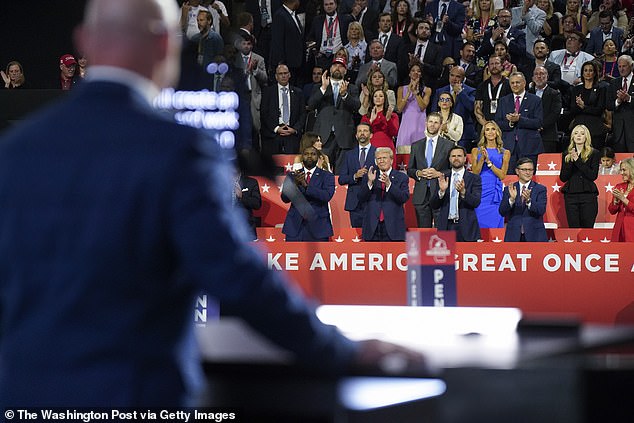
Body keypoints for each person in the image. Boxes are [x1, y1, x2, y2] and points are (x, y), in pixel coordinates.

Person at [0, 0, 426, 406]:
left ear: (84, 40)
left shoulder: (15, 151)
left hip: (21, 396)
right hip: (136, 398)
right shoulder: (179, 151)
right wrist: (342, 352)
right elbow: (238, 278)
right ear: (166, 44)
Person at [309, 56, 361, 172]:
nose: (337, 68)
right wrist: (323, 88)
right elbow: (311, 105)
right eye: (335, 65)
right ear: (330, 69)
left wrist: (345, 95)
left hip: (344, 137)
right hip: (324, 137)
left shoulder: (351, 88)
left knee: (341, 174)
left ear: (345, 70)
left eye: (341, 66)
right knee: (322, 172)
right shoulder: (319, 87)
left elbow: (357, 106)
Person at [408, 112, 454, 227]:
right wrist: (419, 173)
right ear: (426, 123)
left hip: (440, 193)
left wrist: (439, 174)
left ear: (440, 125)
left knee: (442, 232)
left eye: (436, 122)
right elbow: (410, 169)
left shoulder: (449, 145)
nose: (433, 125)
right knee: (423, 234)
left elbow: (453, 170)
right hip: (421, 195)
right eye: (430, 122)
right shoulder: (416, 145)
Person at [281, 146, 335, 241]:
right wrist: (295, 185)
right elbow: (284, 198)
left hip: (318, 227)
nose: (309, 156)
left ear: (318, 157)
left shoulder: (327, 176)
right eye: (306, 154)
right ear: (302, 157)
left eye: (313, 154)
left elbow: (326, 196)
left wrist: (306, 186)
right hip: (295, 227)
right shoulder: (292, 175)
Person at [431, 145, 482, 241]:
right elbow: (434, 204)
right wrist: (441, 192)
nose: (456, 158)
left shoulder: (474, 178)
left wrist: (463, 192)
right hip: (446, 227)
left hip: (466, 228)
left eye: (459, 156)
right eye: (453, 156)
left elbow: (476, 202)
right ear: (449, 159)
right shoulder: (442, 177)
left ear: (465, 158)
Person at [358, 147, 410, 241]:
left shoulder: (401, 177)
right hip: (372, 226)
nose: (381, 161)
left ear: (391, 160)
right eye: (379, 158)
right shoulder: (370, 176)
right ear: (376, 161)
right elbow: (361, 197)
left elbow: (404, 197)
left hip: (393, 227)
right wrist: (369, 182)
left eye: (384, 158)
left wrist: (389, 185)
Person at [495, 71, 543, 171]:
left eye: (517, 82)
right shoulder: (504, 101)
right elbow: (498, 123)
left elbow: (538, 122)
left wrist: (519, 120)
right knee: (509, 178)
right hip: (508, 147)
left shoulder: (535, 100)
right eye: (512, 83)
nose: (515, 85)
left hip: (529, 146)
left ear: (524, 83)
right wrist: (511, 123)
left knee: (527, 177)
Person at [471, 121, 511, 228]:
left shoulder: (505, 152)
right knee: (479, 222)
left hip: (494, 192)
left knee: (495, 223)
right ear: (484, 133)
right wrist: (482, 159)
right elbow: (475, 173)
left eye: (493, 129)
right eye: (487, 130)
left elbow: (502, 175)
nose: (490, 132)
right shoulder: (476, 151)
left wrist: (489, 163)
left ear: (497, 132)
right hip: (480, 189)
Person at [260, 64, 306, 156]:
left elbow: (303, 114)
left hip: (292, 135)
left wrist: (294, 129)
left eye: (285, 73)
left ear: (289, 75)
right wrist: (276, 129)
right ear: (276, 76)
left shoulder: (298, 92)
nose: (283, 76)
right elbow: (264, 113)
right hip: (273, 135)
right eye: (280, 74)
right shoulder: (268, 92)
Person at [560, 124, 601, 227]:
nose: (579, 136)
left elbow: (592, 175)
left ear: (586, 137)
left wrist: (577, 160)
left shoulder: (594, 153)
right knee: (573, 229)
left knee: (587, 229)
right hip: (571, 196)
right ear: (572, 137)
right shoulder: (566, 154)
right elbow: (563, 177)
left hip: (588, 196)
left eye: (582, 134)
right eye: (576, 133)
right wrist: (570, 160)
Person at [498, 157, 548, 242]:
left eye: (530, 170)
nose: (528, 172)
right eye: (524, 169)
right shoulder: (509, 189)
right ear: (517, 171)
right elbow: (502, 212)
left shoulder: (540, 189)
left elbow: (541, 210)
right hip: (513, 236)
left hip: (534, 236)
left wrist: (528, 201)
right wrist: (511, 200)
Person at [339, 123, 377, 227]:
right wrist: (355, 176)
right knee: (358, 239)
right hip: (354, 203)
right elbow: (341, 179)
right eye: (359, 131)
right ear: (356, 136)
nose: (362, 133)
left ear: (371, 135)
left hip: (372, 201)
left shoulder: (378, 153)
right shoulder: (349, 155)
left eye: (365, 131)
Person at [431, 66, 477, 150]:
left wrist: (460, 92)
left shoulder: (470, 91)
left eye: (458, 76)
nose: (454, 78)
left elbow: (471, 107)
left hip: (463, 134)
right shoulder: (440, 91)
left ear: (463, 78)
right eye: (452, 75)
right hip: (442, 133)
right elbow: (434, 112)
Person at [569, 60, 608, 149]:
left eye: (590, 70)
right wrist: (586, 108)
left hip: (595, 128)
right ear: (582, 73)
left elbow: (599, 110)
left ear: (594, 73)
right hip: (579, 127)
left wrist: (583, 107)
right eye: (585, 70)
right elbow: (573, 109)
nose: (588, 73)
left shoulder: (601, 89)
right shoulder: (576, 90)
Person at [395, 62, 430, 154]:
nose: (415, 73)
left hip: (420, 124)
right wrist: (408, 93)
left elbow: (422, 107)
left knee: (420, 153)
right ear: (409, 73)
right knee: (403, 154)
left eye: (418, 71)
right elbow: (399, 109)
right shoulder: (401, 89)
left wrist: (416, 93)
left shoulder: (427, 90)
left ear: (421, 74)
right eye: (413, 70)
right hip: (406, 125)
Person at [529, 65, 563, 153]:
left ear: (547, 77)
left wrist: (539, 125)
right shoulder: (528, 94)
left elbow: (555, 114)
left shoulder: (555, 94)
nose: (539, 76)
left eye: (542, 74)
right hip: (529, 135)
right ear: (533, 78)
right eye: (536, 74)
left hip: (548, 137)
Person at [360, 88, 399, 159]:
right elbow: (363, 134)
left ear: (385, 99)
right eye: (375, 96)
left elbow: (395, 133)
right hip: (371, 148)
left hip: (387, 148)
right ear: (372, 99)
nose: (378, 98)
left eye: (381, 96)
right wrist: (371, 121)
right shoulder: (366, 117)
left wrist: (388, 120)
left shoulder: (392, 115)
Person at [606, 55, 634, 152]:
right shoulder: (614, 83)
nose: (621, 69)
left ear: (632, 66)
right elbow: (608, 105)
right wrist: (618, 101)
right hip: (618, 130)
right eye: (619, 66)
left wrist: (629, 98)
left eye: (624, 66)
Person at [608, 157, 634, 241]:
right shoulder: (619, 186)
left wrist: (623, 199)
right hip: (619, 227)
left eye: (624, 170)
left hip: (632, 227)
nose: (621, 173)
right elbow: (612, 211)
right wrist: (615, 202)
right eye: (620, 170)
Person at [233, 169, 262, 241]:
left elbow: (257, 204)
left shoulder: (251, 182)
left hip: (247, 230)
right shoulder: (220, 182)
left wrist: (242, 197)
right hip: (225, 229)